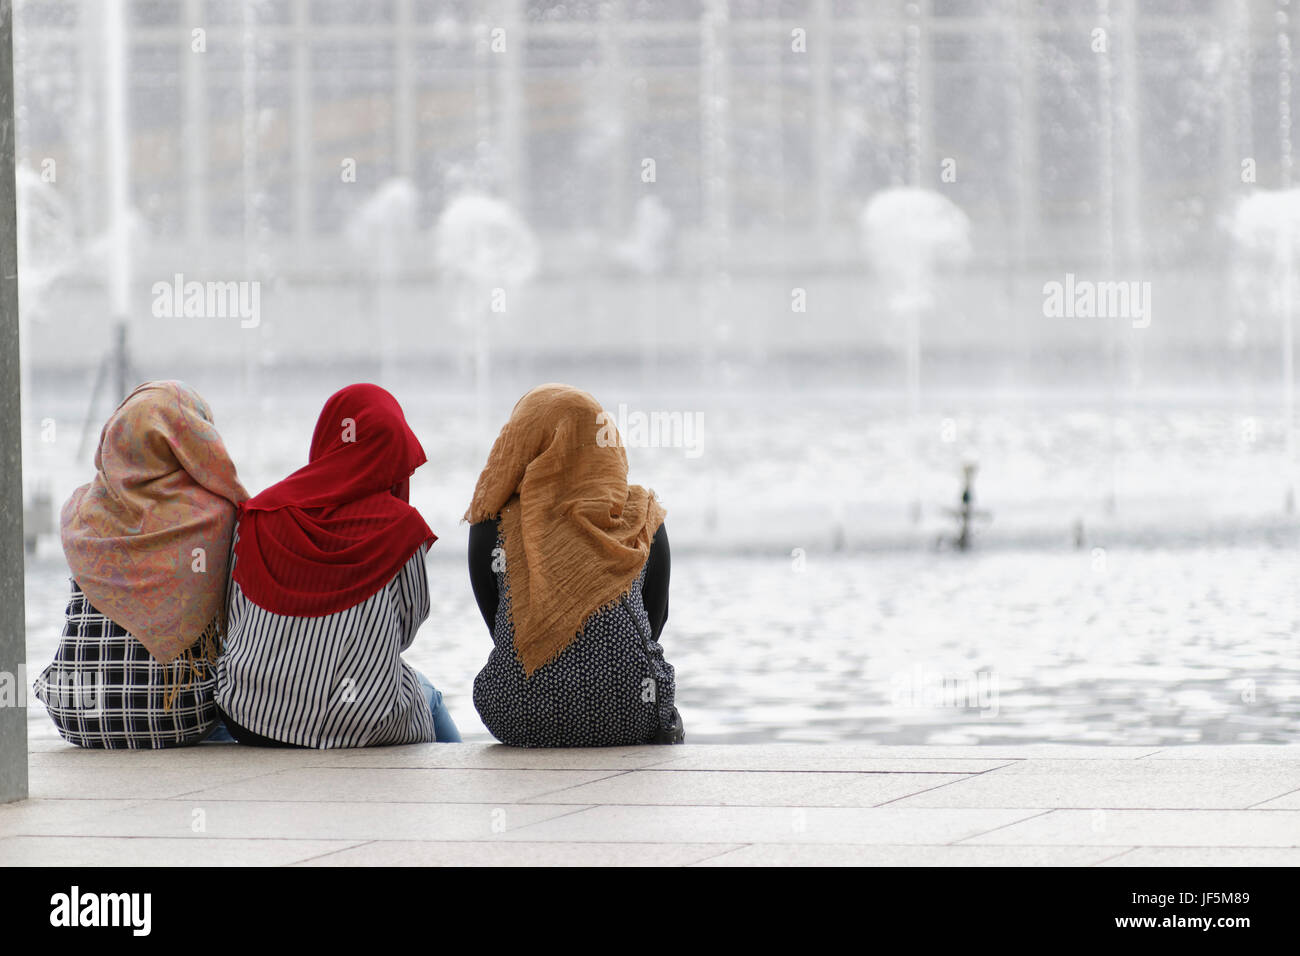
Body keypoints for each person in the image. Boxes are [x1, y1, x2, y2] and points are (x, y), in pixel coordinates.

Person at [216, 383, 459, 747]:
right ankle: (461, 791)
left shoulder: (259, 514)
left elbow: (235, 617)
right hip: (361, 722)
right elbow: (404, 631)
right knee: (430, 698)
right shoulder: (401, 528)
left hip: (250, 714)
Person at [33, 381, 249, 748]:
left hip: (76, 713)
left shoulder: (82, 512)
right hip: (178, 717)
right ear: (195, 440)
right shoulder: (216, 514)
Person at [466, 383, 682, 747]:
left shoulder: (493, 524)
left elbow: (497, 620)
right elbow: (654, 621)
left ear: (519, 442)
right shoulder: (640, 516)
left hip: (517, 714)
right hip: (631, 710)